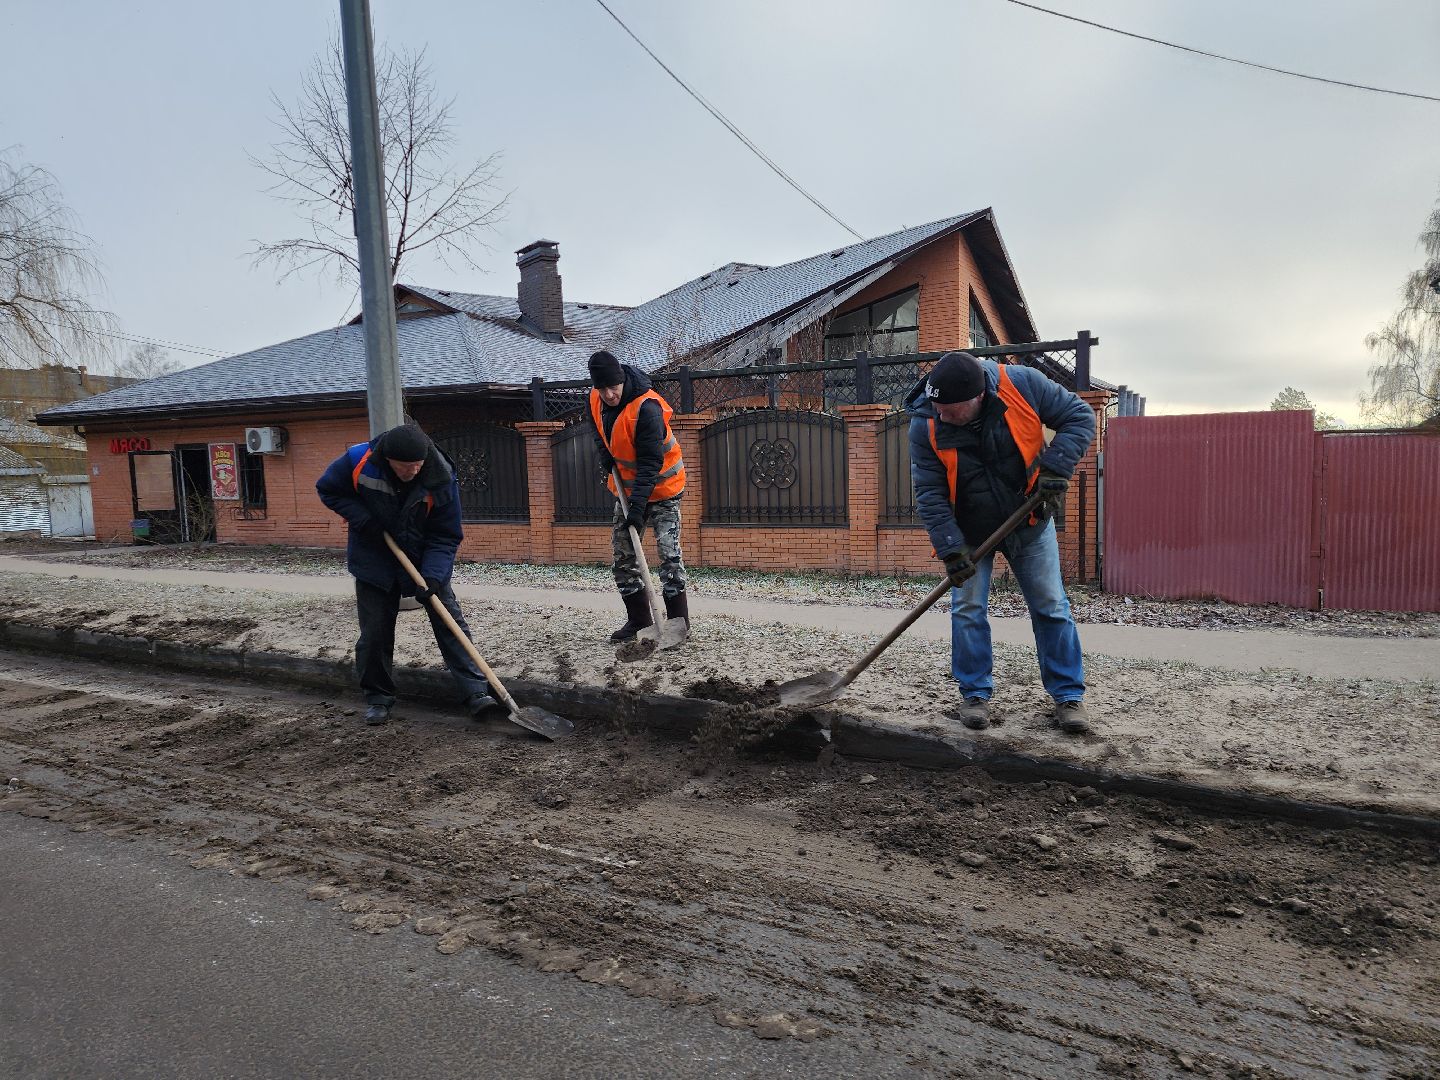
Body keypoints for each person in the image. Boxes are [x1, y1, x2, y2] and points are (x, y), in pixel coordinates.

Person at [906, 351, 1096, 735]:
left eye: (949, 410)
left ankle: (1068, 696)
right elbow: (929, 492)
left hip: (1027, 517)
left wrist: (1056, 467)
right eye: (936, 406)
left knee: (1050, 605)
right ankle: (974, 694)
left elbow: (1080, 417)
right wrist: (950, 548)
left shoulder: (1023, 384)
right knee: (968, 608)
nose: (940, 415)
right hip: (969, 530)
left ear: (976, 400)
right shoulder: (925, 420)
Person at [316, 423, 500, 726]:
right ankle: (378, 698)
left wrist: (433, 576)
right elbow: (328, 489)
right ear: (387, 459)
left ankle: (476, 693)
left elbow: (446, 535)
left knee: (450, 624)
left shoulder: (441, 477)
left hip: (423, 556)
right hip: (374, 555)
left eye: (417, 465)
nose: (412, 472)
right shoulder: (358, 460)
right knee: (375, 631)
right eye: (404, 467)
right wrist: (363, 519)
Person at [587, 349, 690, 643]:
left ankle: (678, 624)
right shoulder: (595, 398)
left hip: (663, 487)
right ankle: (639, 620)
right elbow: (596, 427)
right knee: (623, 555)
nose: (608, 394)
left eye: (613, 387)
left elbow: (649, 464)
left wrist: (637, 507)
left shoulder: (647, 409)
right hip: (628, 490)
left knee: (669, 555)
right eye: (602, 388)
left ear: (622, 380)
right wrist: (604, 454)